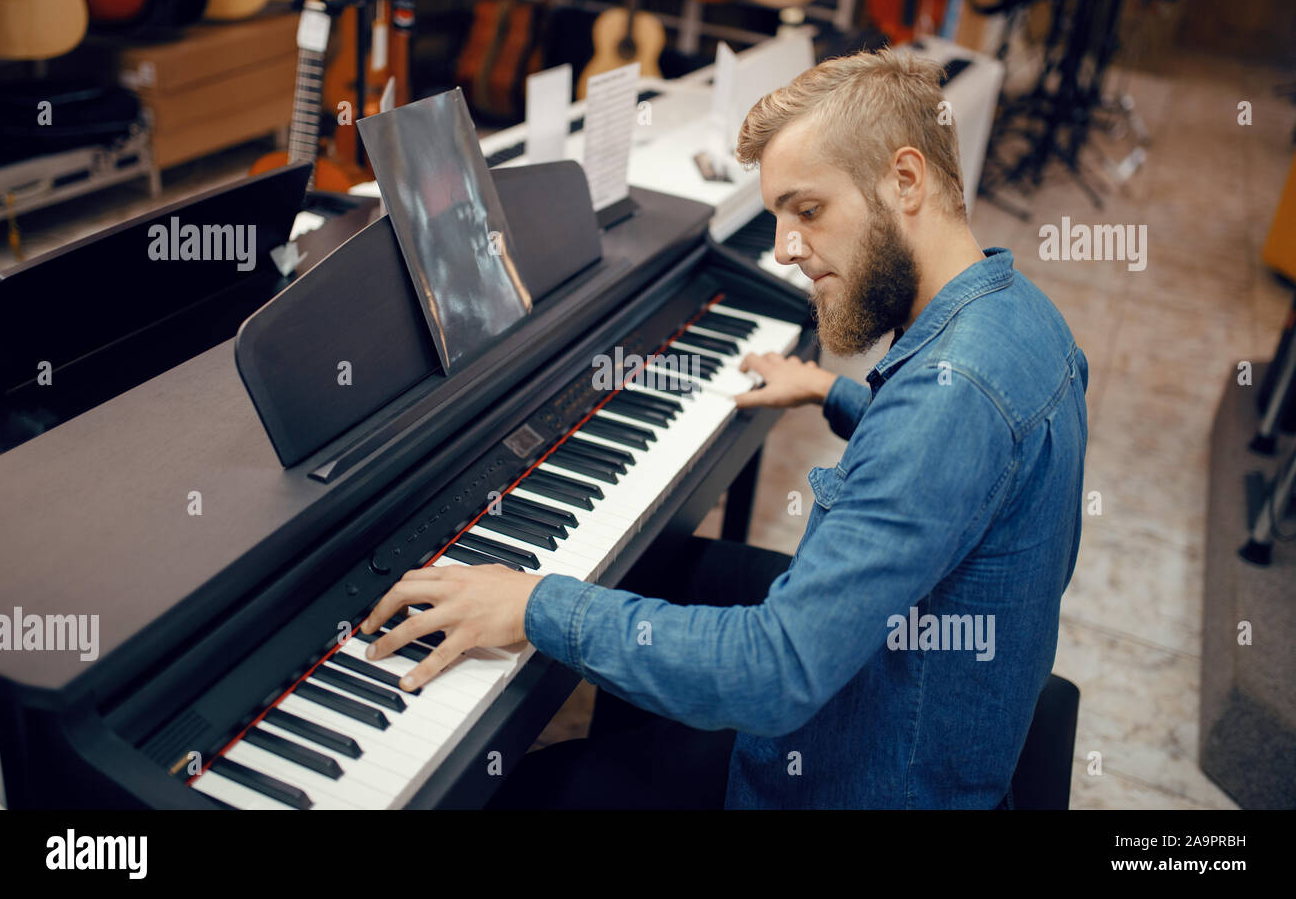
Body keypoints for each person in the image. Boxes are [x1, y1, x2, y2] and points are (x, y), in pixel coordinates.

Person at [358, 47, 1089, 808]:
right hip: (917, 710)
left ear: (906, 180)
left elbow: (777, 673)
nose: (782, 248)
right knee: (658, 568)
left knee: (517, 791)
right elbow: (965, 467)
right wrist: (831, 392)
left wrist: (534, 601)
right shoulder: (1017, 314)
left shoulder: (950, 399)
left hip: (862, 777)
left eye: (807, 210)